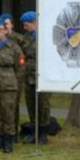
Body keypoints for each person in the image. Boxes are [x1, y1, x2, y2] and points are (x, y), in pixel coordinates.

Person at [0, 18, 25, 153]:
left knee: (8, 113)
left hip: (9, 86)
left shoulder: (14, 47)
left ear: (6, 31)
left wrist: (16, 84)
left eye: (1, 29)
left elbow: (20, 68)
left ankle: (8, 141)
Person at [19, 11, 51, 144]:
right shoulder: (26, 38)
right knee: (30, 103)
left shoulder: (45, 36)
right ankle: (34, 131)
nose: (24, 27)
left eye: (26, 25)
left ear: (34, 22)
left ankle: (43, 133)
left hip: (41, 75)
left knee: (42, 105)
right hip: (28, 75)